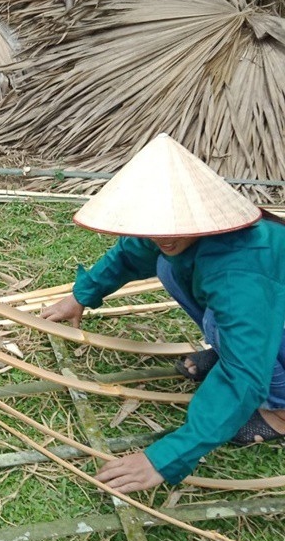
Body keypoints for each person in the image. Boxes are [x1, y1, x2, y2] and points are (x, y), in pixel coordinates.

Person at [40, 134, 285, 494]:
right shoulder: (171, 229)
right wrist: (82, 295)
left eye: (169, 227)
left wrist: (165, 458)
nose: (162, 236)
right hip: (262, 310)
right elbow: (129, 254)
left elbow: (245, 372)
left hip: (269, 316)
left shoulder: (238, 270)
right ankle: (231, 350)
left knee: (235, 339)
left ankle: (279, 413)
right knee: (169, 266)